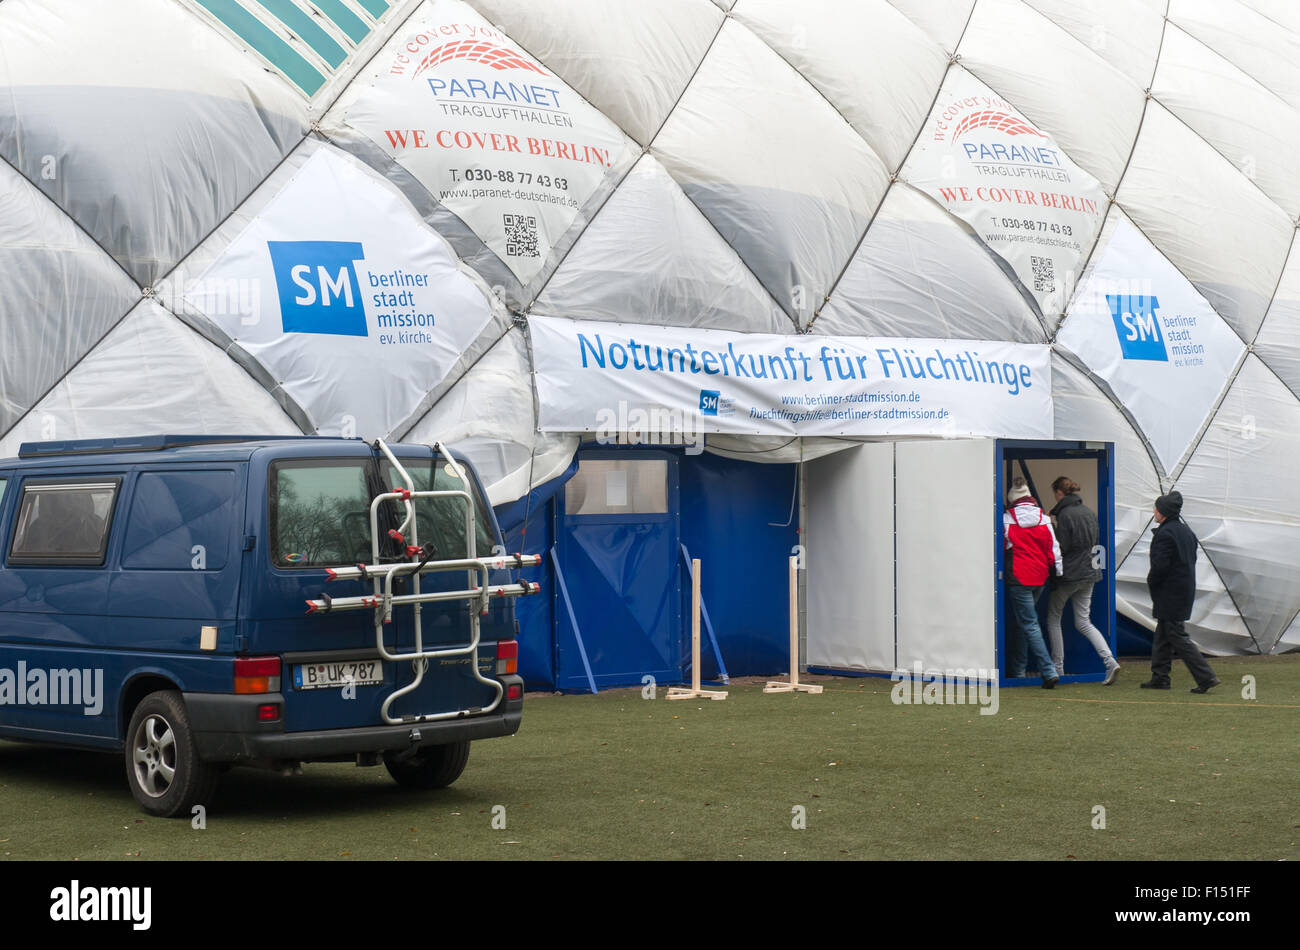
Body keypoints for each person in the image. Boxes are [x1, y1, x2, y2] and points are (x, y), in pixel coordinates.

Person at [1141, 490, 1219, 693]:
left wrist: (1152, 582)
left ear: (1163, 512)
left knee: (1176, 635)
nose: (1154, 511)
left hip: (1170, 592)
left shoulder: (1165, 534)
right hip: (1183, 590)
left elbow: (1160, 567)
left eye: (1156, 508)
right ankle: (1160, 676)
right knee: (1164, 632)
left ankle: (1205, 677)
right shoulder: (1186, 532)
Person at [1046, 477, 1121, 684]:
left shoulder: (1065, 515)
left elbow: (1062, 547)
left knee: (1054, 618)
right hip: (1089, 573)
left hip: (1069, 574)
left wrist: (1052, 527)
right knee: (1084, 622)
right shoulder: (1089, 512)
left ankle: (1057, 668)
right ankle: (1109, 661)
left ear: (1059, 493)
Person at [1003, 476, 1062, 687]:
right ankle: (1018, 669)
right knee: (1025, 624)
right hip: (1040, 577)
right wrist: (1058, 573)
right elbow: (1053, 550)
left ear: (1012, 499)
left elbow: (1000, 549)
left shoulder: (1007, 520)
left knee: (1029, 624)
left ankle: (1048, 670)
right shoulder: (1044, 519)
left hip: (1018, 578)